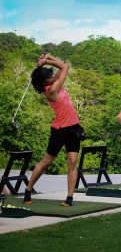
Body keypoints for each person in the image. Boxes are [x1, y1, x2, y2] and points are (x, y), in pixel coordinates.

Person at [24, 54, 81, 206]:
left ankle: (69, 198)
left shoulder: (54, 82)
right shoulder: (51, 90)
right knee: (47, 162)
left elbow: (63, 65)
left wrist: (47, 57)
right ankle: (28, 189)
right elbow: (64, 67)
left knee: (73, 161)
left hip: (74, 127)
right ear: (45, 82)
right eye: (49, 76)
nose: (52, 76)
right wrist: (46, 61)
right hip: (60, 129)